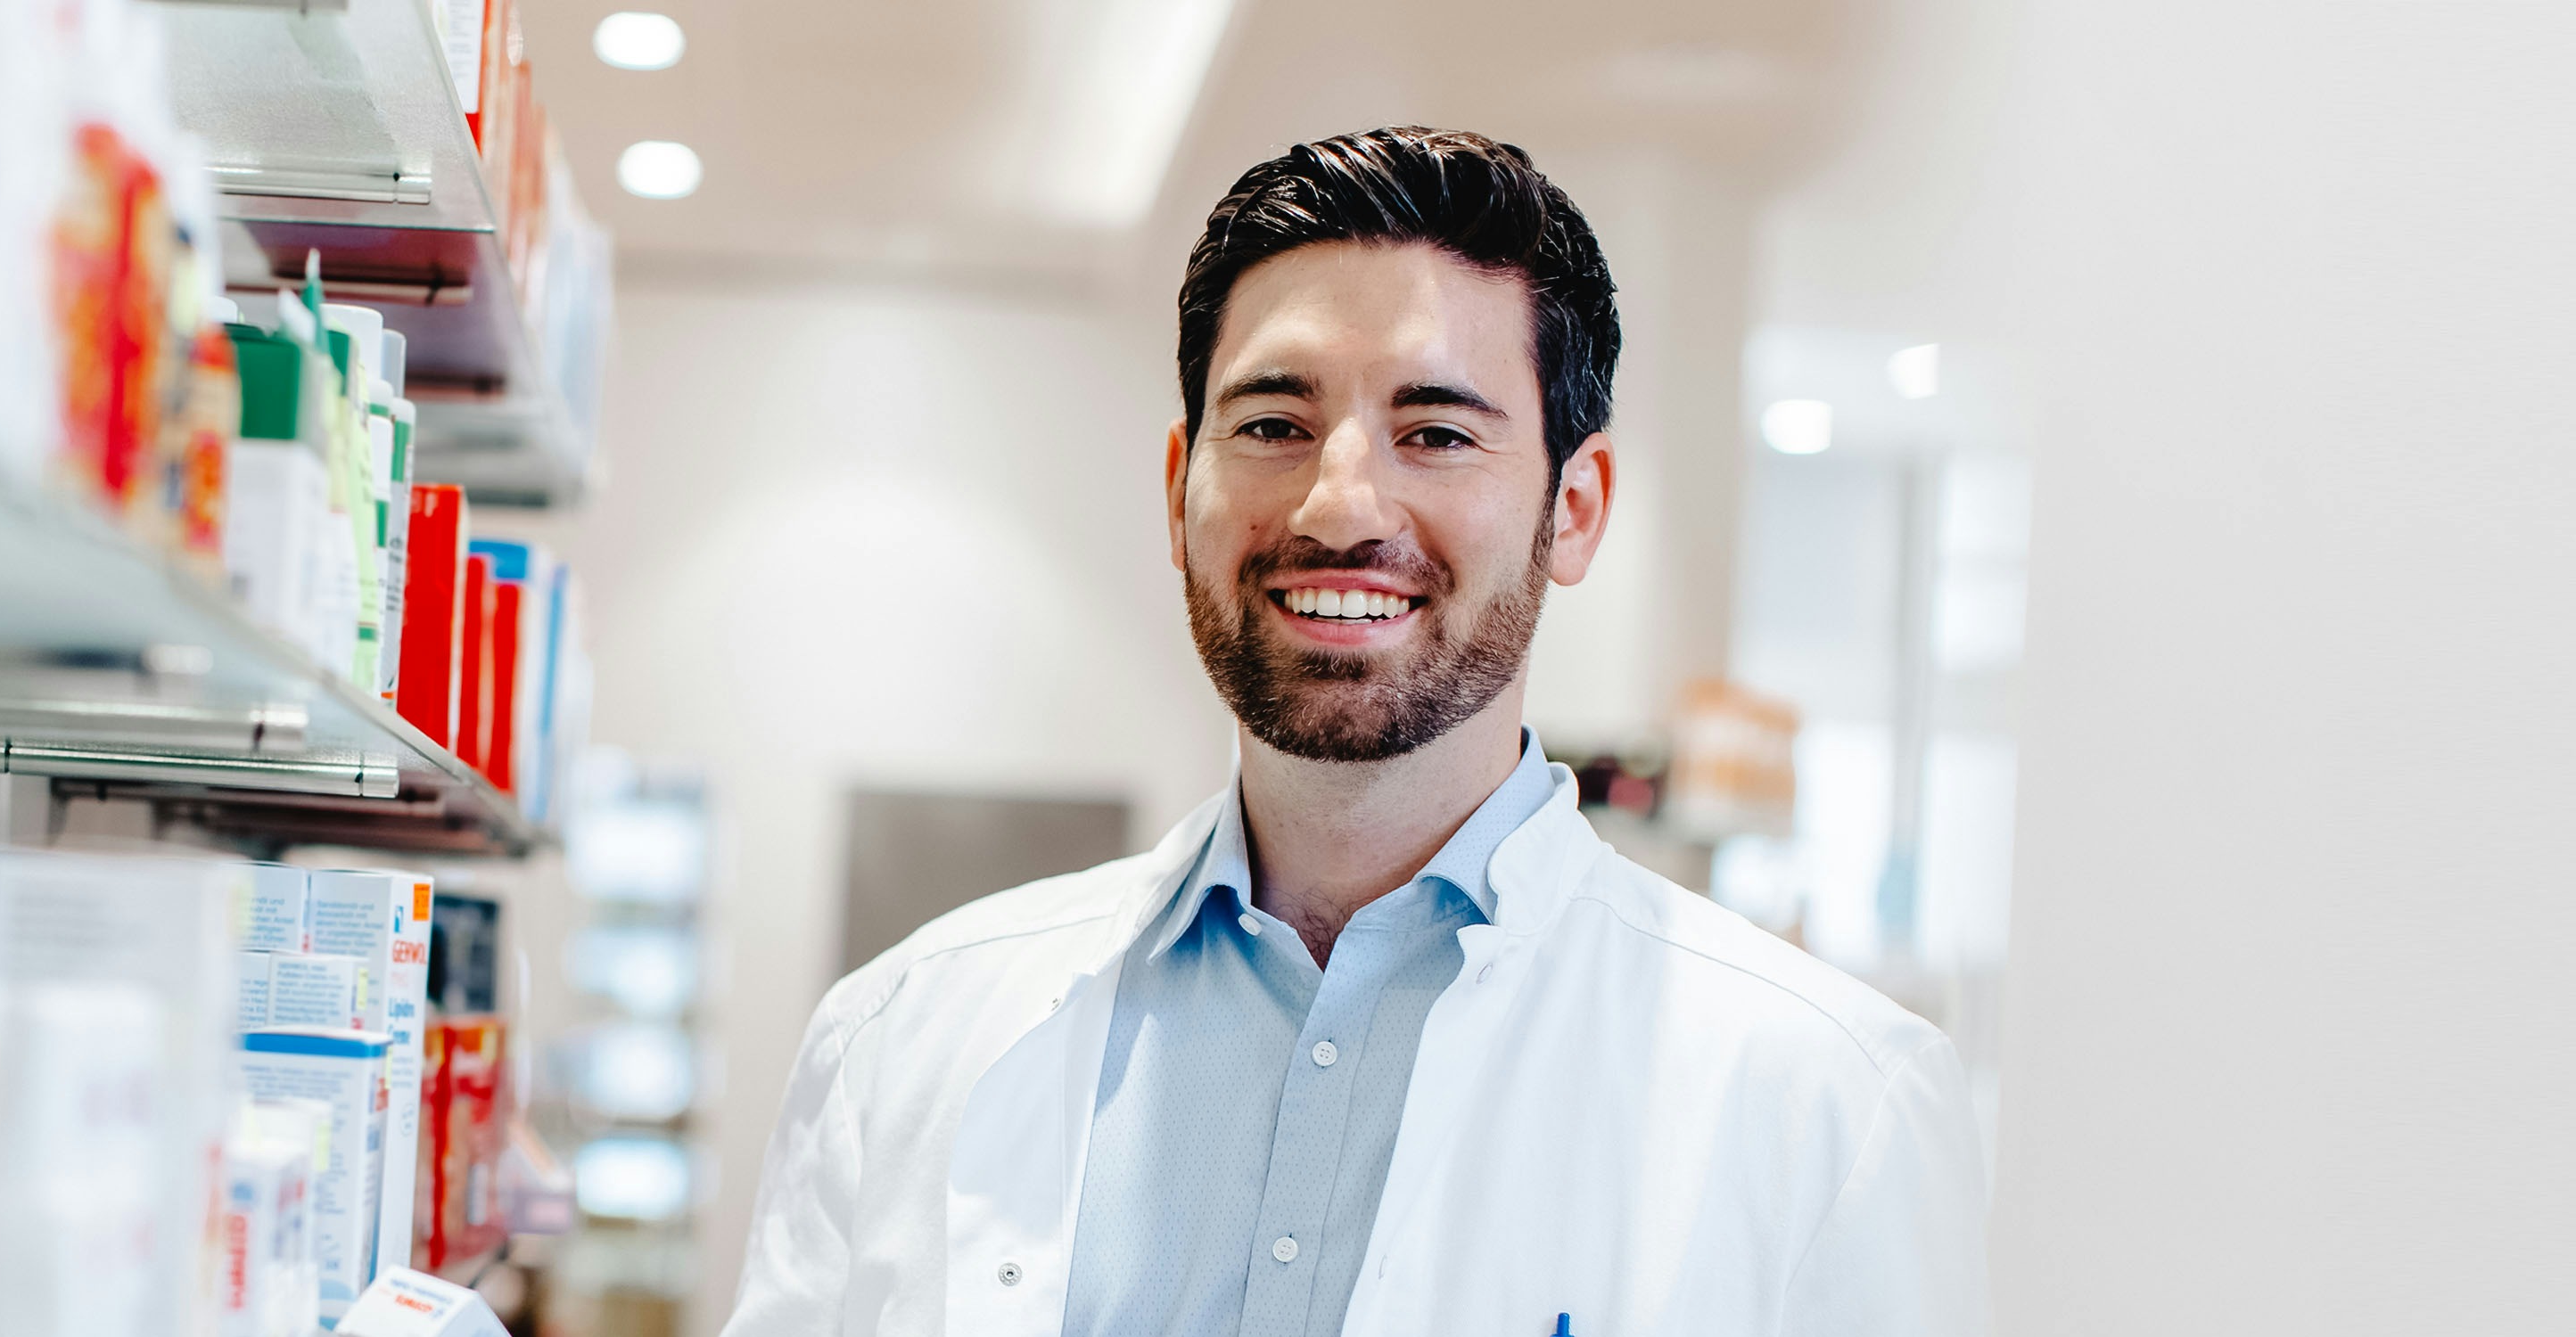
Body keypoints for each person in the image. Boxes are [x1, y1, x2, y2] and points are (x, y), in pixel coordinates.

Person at [718, 127, 1987, 1337]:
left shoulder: (1830, 1099)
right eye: (1273, 425)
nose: (1339, 503)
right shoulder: (902, 1037)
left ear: (1577, 509)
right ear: (1179, 492)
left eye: (1436, 432)